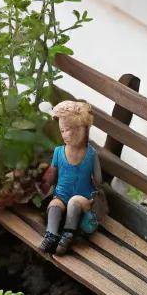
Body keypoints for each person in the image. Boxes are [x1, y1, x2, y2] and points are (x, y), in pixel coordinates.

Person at [39, 100, 102, 255]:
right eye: (63, 130)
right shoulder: (58, 152)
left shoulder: (91, 154)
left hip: (83, 197)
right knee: (54, 205)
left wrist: (94, 193)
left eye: (71, 130)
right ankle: (51, 235)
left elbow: (98, 180)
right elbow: (51, 176)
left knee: (74, 202)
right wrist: (44, 183)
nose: (66, 135)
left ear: (83, 129)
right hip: (61, 194)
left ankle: (68, 234)